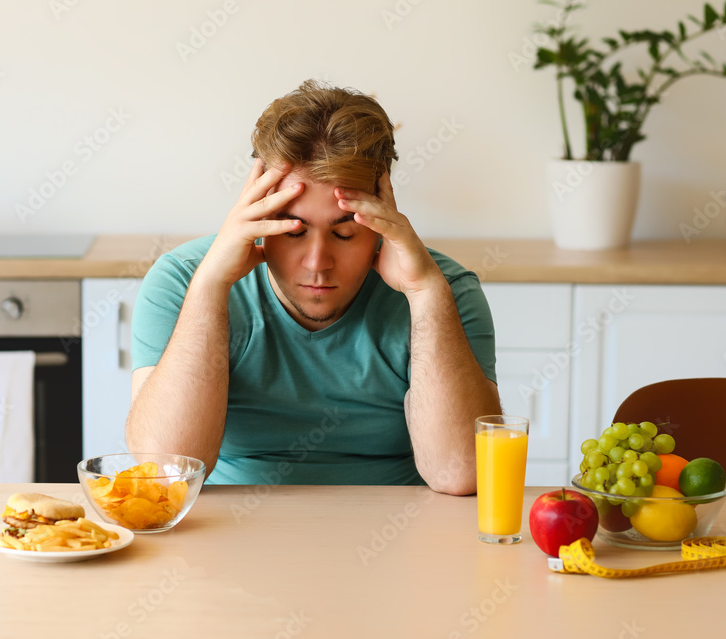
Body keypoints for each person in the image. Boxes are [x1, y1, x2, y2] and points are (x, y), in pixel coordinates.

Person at [127, 80, 500, 495]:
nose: (317, 263)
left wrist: (426, 295)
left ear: (383, 216)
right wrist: (211, 287)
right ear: (256, 207)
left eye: (344, 234)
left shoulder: (444, 288)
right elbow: (165, 471)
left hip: (398, 536)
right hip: (227, 539)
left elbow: (460, 474)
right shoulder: (183, 279)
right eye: (292, 230)